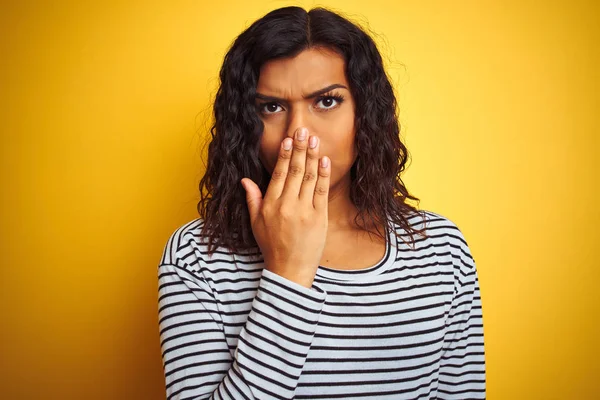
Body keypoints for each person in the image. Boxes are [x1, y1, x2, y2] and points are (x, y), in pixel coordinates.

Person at [157, 6, 486, 400]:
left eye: (326, 101)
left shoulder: (443, 252)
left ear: (365, 113)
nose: (298, 133)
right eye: (271, 107)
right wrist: (288, 271)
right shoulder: (196, 257)